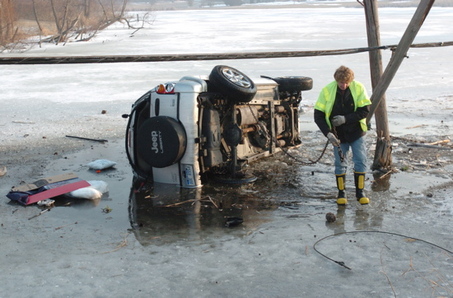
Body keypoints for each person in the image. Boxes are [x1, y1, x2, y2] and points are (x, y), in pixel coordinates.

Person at [314, 66, 372, 205]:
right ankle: (341, 193)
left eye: (346, 83)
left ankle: (360, 192)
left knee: (360, 160)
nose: (344, 85)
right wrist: (328, 134)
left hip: (356, 132)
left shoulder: (358, 88)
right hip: (337, 134)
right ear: (336, 80)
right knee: (340, 163)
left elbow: (365, 110)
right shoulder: (327, 91)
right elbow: (318, 116)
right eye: (341, 82)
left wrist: (345, 119)